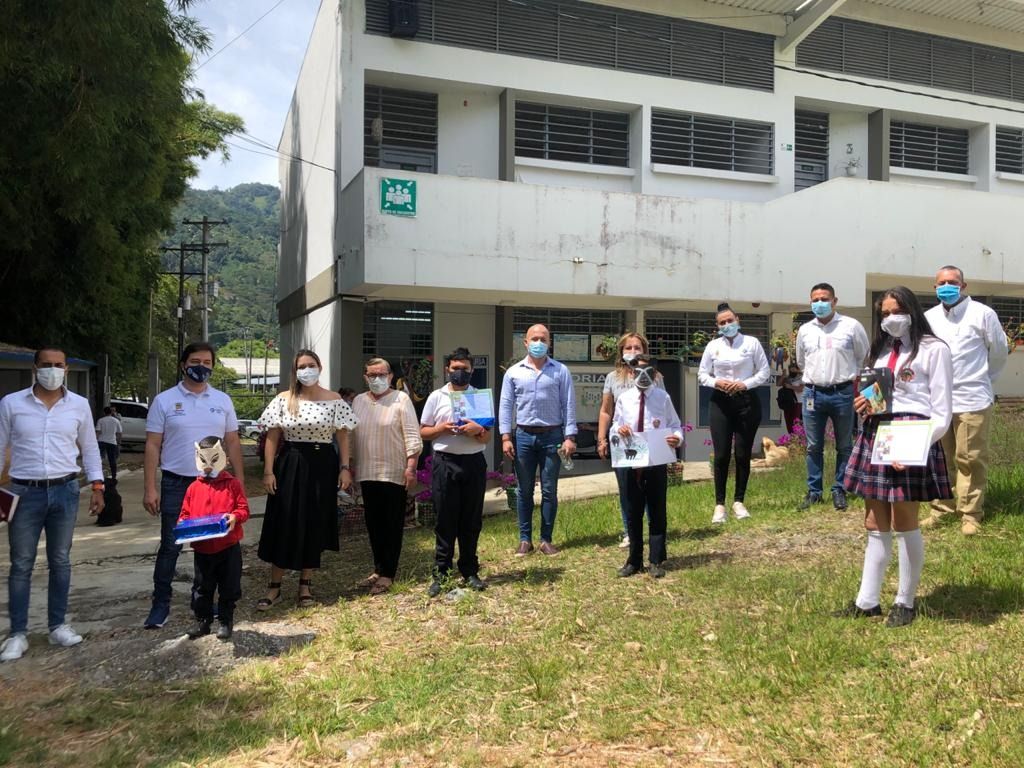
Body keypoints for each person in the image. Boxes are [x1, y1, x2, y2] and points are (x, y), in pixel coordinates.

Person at [838, 287, 952, 627]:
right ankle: (867, 601)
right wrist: (864, 405)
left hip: (911, 433)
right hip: (876, 431)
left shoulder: (934, 349)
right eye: (884, 313)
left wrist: (915, 447)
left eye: (896, 310)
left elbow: (942, 411)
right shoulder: (881, 350)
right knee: (874, 521)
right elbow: (876, 397)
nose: (890, 319)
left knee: (905, 520)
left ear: (912, 310)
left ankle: (905, 601)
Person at [0, 347, 105, 662]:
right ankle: (17, 634)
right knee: (21, 564)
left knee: (61, 560)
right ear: (35, 368)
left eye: (58, 365)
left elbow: (89, 447)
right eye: (46, 365)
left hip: (65, 490)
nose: (52, 370)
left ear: (67, 370)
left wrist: (98, 486)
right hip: (23, 491)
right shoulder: (11, 404)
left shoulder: (79, 406)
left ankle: (58, 625)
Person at [142, 342, 244, 630]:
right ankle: (160, 604)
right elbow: (152, 444)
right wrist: (150, 487)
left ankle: (203, 602)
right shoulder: (164, 401)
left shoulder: (222, 400)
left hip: (214, 484)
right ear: (183, 364)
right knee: (170, 547)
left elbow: (233, 441)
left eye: (208, 362)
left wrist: (239, 482)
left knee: (211, 547)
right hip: (177, 483)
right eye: (196, 360)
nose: (202, 366)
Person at [257, 349, 356, 609]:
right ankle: (274, 587)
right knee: (284, 520)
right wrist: (268, 470)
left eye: (311, 365)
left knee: (315, 521)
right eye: (302, 366)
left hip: (323, 465)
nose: (307, 370)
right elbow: (272, 437)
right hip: (290, 463)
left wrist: (345, 467)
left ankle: (305, 586)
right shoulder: (284, 399)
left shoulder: (334, 399)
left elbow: (343, 436)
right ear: (295, 371)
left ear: (320, 367)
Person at [923, 266, 1009, 535]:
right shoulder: (929, 317)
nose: (946, 287)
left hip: (972, 397)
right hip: (938, 400)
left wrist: (982, 379)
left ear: (964, 285)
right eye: (941, 283)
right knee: (939, 458)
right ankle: (942, 508)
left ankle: (971, 514)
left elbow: (998, 353)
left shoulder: (983, 314)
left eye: (952, 282)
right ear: (934, 287)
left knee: (969, 458)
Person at [498, 324, 577, 556]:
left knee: (550, 490)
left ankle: (546, 539)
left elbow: (568, 404)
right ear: (525, 342)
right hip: (523, 436)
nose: (539, 343)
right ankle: (525, 539)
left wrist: (569, 436)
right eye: (534, 338)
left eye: (543, 339)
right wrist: (505, 436)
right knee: (523, 491)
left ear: (549, 342)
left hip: (553, 436)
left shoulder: (560, 371)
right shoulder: (513, 372)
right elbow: (505, 405)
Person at [419, 348, 491, 597]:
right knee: (445, 520)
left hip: (473, 462)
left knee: (471, 520)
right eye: (455, 369)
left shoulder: (479, 397)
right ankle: (441, 573)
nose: (460, 373)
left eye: (465, 369)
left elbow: (487, 437)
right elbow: (423, 431)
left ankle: (470, 570)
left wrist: (476, 429)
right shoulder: (436, 397)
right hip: (445, 463)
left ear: (471, 370)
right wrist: (441, 428)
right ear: (446, 370)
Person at [795, 283, 870, 511]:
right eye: (815, 299)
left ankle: (840, 489)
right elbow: (801, 361)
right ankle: (814, 492)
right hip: (813, 393)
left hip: (843, 392)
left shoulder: (851, 326)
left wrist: (850, 375)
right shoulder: (805, 330)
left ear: (834, 301)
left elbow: (863, 354)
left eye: (824, 298)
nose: (820, 303)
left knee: (844, 445)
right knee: (813, 446)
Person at [351, 358, 422, 595]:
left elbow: (412, 435)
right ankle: (378, 567)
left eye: (382, 374)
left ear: (391, 376)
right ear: (365, 377)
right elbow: (351, 438)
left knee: (391, 524)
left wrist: (411, 467)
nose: (377, 379)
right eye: (372, 375)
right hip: (367, 472)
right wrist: (348, 466)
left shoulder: (401, 399)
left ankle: (388, 573)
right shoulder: (359, 401)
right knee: (374, 524)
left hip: (394, 472)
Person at [611, 355, 683, 579]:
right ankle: (634, 559)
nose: (643, 376)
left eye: (648, 372)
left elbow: (675, 425)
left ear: (654, 374)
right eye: (638, 371)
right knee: (632, 511)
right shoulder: (624, 398)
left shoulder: (662, 398)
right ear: (631, 373)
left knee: (657, 510)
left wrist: (676, 438)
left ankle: (656, 559)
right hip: (631, 463)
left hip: (656, 460)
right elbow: (615, 424)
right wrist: (619, 430)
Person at [698, 303, 771, 524]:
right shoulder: (713, 346)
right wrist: (717, 381)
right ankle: (719, 504)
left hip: (746, 402)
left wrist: (744, 384)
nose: (727, 325)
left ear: (737, 320)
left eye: (730, 321)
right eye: (722, 323)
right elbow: (702, 374)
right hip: (720, 402)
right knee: (721, 455)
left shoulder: (751, 343)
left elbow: (764, 371)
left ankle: (739, 501)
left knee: (742, 454)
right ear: (717, 326)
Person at [597, 332, 664, 549]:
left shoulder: (656, 377)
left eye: (637, 347)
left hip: (648, 440)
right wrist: (601, 438)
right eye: (628, 348)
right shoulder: (612, 378)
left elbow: (662, 409)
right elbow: (606, 411)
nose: (633, 352)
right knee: (626, 488)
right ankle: (630, 531)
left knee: (649, 489)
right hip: (624, 442)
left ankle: (652, 531)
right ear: (621, 352)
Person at [179, 436, 250, 640]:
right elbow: (185, 514)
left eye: (214, 459)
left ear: (225, 459)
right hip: (203, 549)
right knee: (202, 587)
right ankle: (203, 621)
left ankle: (226, 621)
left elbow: (243, 509)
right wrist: (183, 526)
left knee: (229, 586)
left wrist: (235, 517)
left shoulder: (232, 485)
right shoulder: (193, 488)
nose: (209, 466)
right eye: (204, 460)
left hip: (228, 547)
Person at [95, 406, 122, 480]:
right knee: (112, 459)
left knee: (100, 458)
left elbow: (98, 431)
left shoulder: (100, 420)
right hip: (112, 442)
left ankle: (98, 475)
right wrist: (119, 442)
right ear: (111, 412)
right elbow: (119, 433)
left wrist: (95, 440)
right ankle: (114, 475)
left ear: (104, 412)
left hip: (101, 441)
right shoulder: (116, 421)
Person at [776, 364, 804, 435]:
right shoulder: (788, 378)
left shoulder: (802, 378)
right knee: (789, 423)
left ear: (797, 369)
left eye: (793, 369)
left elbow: (801, 389)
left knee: (796, 423)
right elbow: (778, 384)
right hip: (788, 403)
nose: (792, 370)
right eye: (790, 369)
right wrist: (783, 375)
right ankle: (791, 438)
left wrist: (790, 386)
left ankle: (798, 439)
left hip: (798, 403)